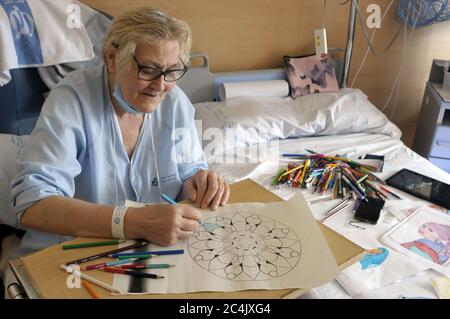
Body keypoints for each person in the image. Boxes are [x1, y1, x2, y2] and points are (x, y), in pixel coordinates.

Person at [5, 6, 230, 272]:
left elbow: (186, 173)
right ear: (112, 58)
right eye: (148, 70)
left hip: (149, 253)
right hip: (70, 255)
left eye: (172, 71)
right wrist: (133, 221)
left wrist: (198, 184)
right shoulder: (72, 100)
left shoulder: (176, 103)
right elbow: (33, 204)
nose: (160, 86)